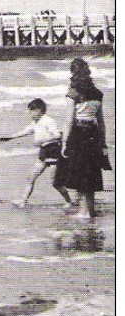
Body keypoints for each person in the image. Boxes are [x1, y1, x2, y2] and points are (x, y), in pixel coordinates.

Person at [53, 58, 107, 219]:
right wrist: (102, 142)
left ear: (73, 73)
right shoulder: (97, 93)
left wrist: (64, 143)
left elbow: (69, 119)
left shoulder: (73, 92)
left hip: (78, 133)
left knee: (80, 173)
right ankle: (90, 209)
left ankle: (83, 212)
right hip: (94, 133)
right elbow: (101, 121)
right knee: (91, 172)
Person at [0, 98, 74, 208]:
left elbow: (58, 135)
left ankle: (68, 201)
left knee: (55, 183)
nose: (30, 114)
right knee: (31, 177)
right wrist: (10, 138)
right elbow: (25, 132)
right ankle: (23, 201)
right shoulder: (35, 122)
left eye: (31, 111)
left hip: (53, 151)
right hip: (43, 152)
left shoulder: (48, 120)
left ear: (39, 110)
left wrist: (43, 141)